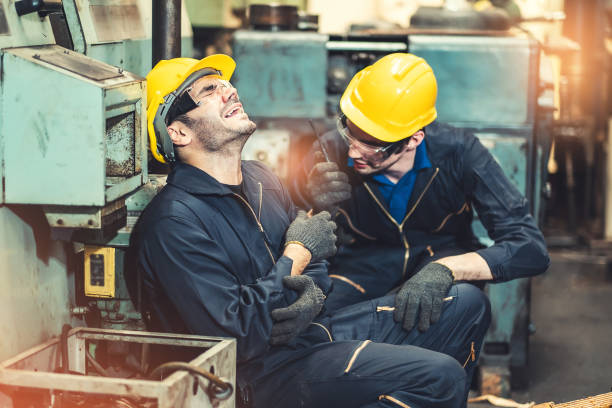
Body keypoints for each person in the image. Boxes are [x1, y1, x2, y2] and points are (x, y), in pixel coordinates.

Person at [127, 54, 490, 408]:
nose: (229, 91)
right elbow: (236, 335)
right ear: (177, 131)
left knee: (466, 304)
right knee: (439, 377)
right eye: (208, 90)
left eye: (226, 84)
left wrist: (310, 293)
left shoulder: (261, 179)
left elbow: (315, 261)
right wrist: (295, 255)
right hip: (253, 376)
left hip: (305, 335)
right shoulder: (175, 223)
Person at [292, 52, 549, 331]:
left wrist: (447, 270)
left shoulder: (460, 154)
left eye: (372, 144)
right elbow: (283, 230)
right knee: (309, 321)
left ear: (414, 139)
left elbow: (529, 247)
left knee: (466, 305)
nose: (353, 152)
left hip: (438, 257)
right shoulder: (329, 151)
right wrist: (310, 202)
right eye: (350, 132)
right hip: (362, 269)